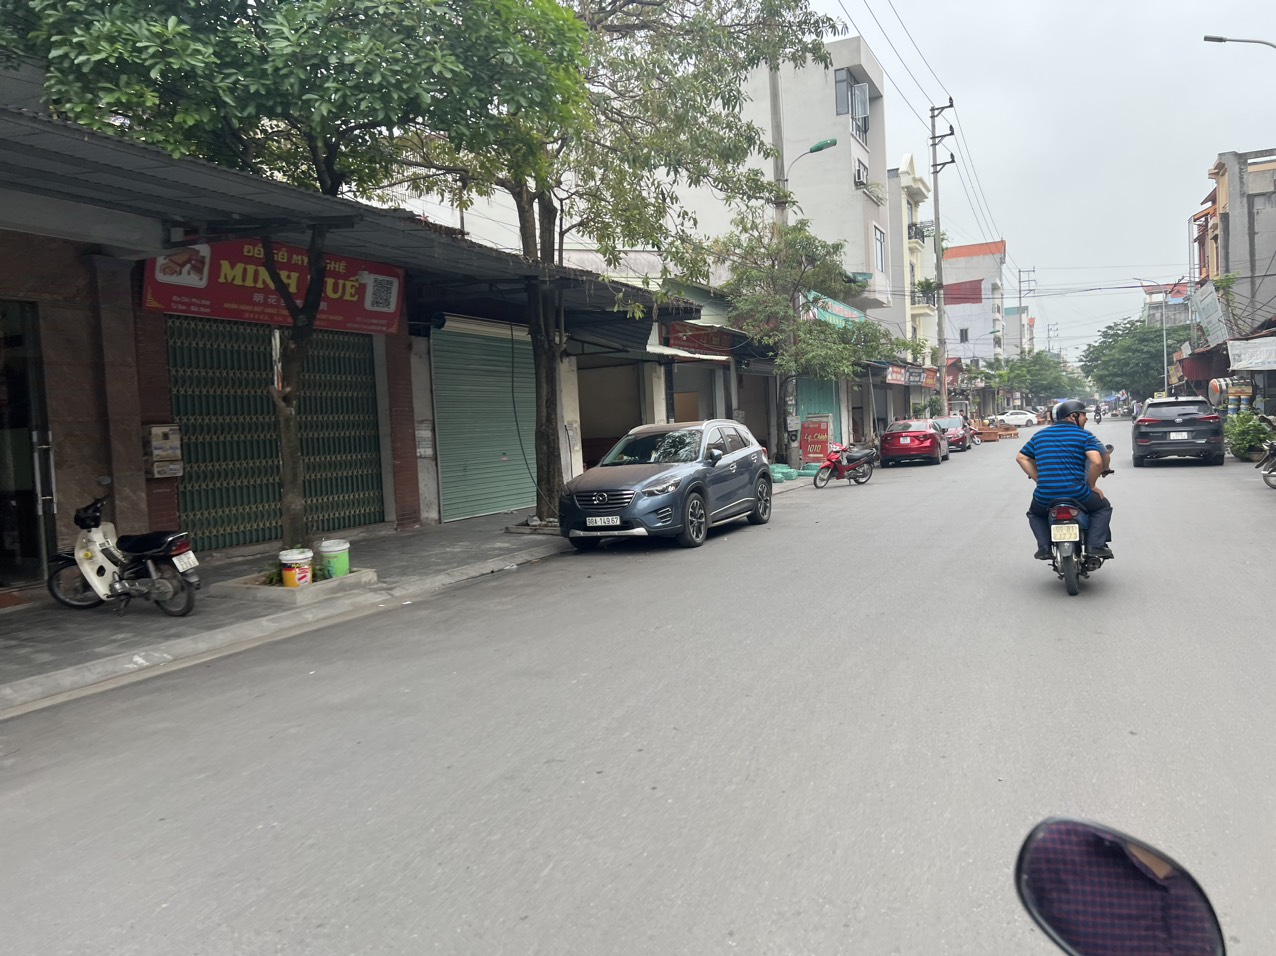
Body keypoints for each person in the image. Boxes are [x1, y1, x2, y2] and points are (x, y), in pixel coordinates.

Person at [1015, 399, 1113, 560]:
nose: (1086, 419)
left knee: (1035, 514)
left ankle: (1044, 547)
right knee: (1102, 508)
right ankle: (1095, 546)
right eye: (1083, 415)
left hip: (1045, 496)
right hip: (1078, 494)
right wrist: (1092, 485)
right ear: (1073, 416)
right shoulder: (1084, 436)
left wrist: (1039, 480)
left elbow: (1021, 458)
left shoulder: (1039, 436)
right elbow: (1097, 461)